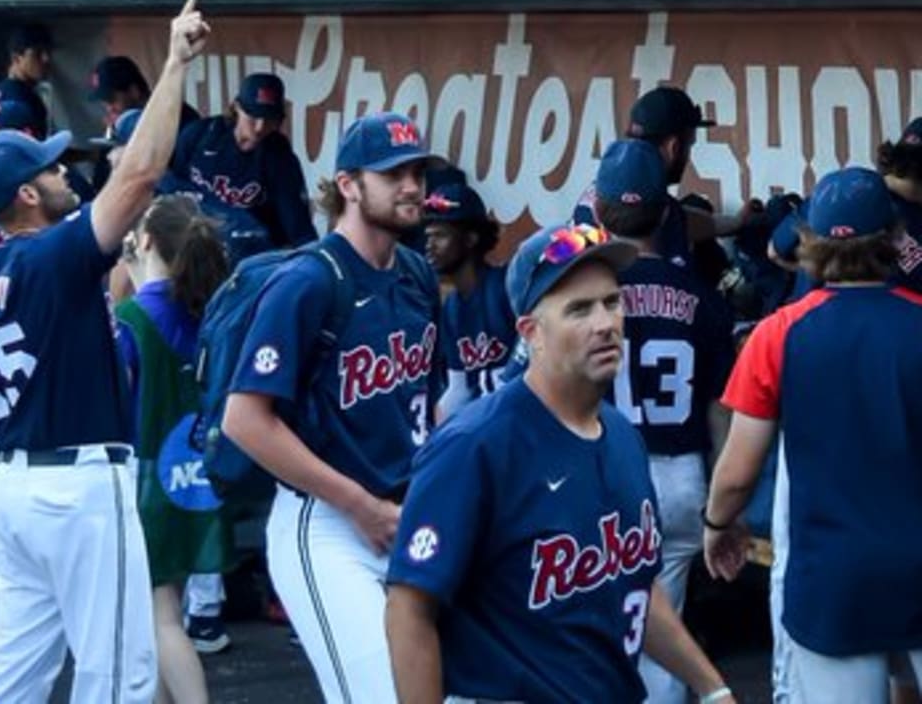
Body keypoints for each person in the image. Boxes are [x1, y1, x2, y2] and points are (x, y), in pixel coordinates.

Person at [0, 0, 209, 703]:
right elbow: (136, 179)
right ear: (26, 198)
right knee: (119, 673)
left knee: (14, 672)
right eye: (48, 168)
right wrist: (174, 67)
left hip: (16, 486)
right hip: (76, 488)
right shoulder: (44, 261)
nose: (63, 170)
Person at [384, 221, 735, 704]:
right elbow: (409, 608)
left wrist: (712, 688)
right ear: (531, 333)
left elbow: (633, 586)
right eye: (578, 310)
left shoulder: (623, 437)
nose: (605, 323)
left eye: (612, 303)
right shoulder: (474, 446)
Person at [223, 112, 443, 704]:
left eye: (418, 171)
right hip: (323, 523)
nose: (412, 186)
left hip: (404, 514)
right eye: (393, 172)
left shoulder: (418, 274)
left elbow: (428, 404)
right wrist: (360, 506)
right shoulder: (311, 280)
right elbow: (243, 420)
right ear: (348, 184)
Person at [706, 167, 922, 703]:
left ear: (809, 242)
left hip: (834, 581)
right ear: (894, 238)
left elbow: (737, 473)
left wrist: (717, 523)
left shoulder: (777, 333)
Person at [593, 139, 735, 704]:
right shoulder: (702, 297)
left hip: (606, 469)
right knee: (663, 629)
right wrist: (720, 501)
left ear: (599, 211)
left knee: (590, 625)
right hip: (679, 476)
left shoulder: (588, 295)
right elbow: (719, 408)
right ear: (666, 212)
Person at [114, 195, 234, 703]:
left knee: (161, 618)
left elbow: (120, 392)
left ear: (145, 242)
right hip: (198, 474)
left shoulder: (130, 317)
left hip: (146, 479)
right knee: (159, 618)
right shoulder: (214, 309)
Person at [158, 72, 314, 259]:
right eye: (253, 117)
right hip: (194, 247)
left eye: (269, 119)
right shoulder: (200, 135)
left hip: (250, 255)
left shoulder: (279, 157)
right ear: (237, 107)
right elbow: (170, 190)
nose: (260, 127)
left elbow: (298, 228)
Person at [421, 180, 512, 418]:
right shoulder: (451, 308)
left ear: (471, 239)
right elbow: (459, 390)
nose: (429, 246)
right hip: (486, 429)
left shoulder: (505, 286)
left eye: (440, 236)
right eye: (427, 236)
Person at [0, 21, 52, 137]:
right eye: (37, 53)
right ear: (16, 58)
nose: (46, 59)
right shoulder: (16, 98)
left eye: (48, 52)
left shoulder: (0, 90)